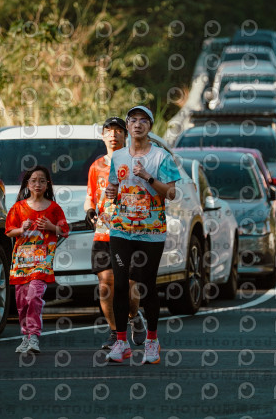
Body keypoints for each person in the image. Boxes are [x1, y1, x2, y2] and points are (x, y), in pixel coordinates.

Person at [105, 105, 181, 364]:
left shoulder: (161, 157)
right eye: (133, 120)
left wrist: (148, 177)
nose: (138, 124)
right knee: (119, 283)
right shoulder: (118, 156)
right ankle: (121, 342)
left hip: (151, 231)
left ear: (150, 126)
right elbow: (114, 187)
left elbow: (171, 194)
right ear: (127, 126)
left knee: (147, 285)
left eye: (143, 120)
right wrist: (111, 193)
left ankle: (152, 341)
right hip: (121, 229)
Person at [84, 117, 147, 350]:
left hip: (130, 232)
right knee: (105, 285)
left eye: (118, 131)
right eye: (109, 131)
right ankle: (115, 333)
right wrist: (89, 211)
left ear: (125, 135)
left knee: (128, 285)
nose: (113, 135)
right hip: (103, 233)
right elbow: (90, 197)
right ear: (103, 136)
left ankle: (134, 317)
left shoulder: (135, 163)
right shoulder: (96, 166)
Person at [6, 165, 69, 354]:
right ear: (27, 184)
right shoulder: (18, 208)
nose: (37, 184)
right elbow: (9, 231)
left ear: (47, 184)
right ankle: (25, 336)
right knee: (22, 301)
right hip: (21, 263)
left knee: (34, 296)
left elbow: (64, 231)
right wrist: (21, 229)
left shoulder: (54, 208)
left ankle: (34, 336)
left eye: (42, 181)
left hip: (42, 262)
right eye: (33, 181)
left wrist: (51, 227)